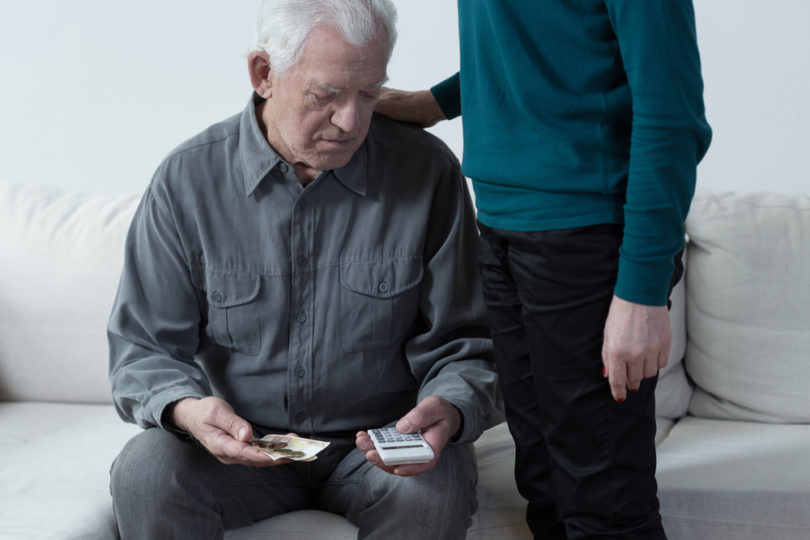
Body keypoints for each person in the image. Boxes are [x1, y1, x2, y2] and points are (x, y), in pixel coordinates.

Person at [107, 1, 502, 538]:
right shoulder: (186, 181)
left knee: (434, 489)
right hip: (241, 450)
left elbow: (468, 342)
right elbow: (144, 349)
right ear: (264, 74)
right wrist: (185, 409)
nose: (352, 121)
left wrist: (452, 408)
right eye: (327, 95)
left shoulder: (428, 173)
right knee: (146, 471)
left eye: (369, 93)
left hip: (379, 449)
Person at [375, 1, 712, 539]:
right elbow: (543, 45)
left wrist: (642, 293)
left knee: (603, 503)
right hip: (502, 226)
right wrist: (435, 102)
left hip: (588, 241)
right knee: (544, 483)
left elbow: (672, 114)